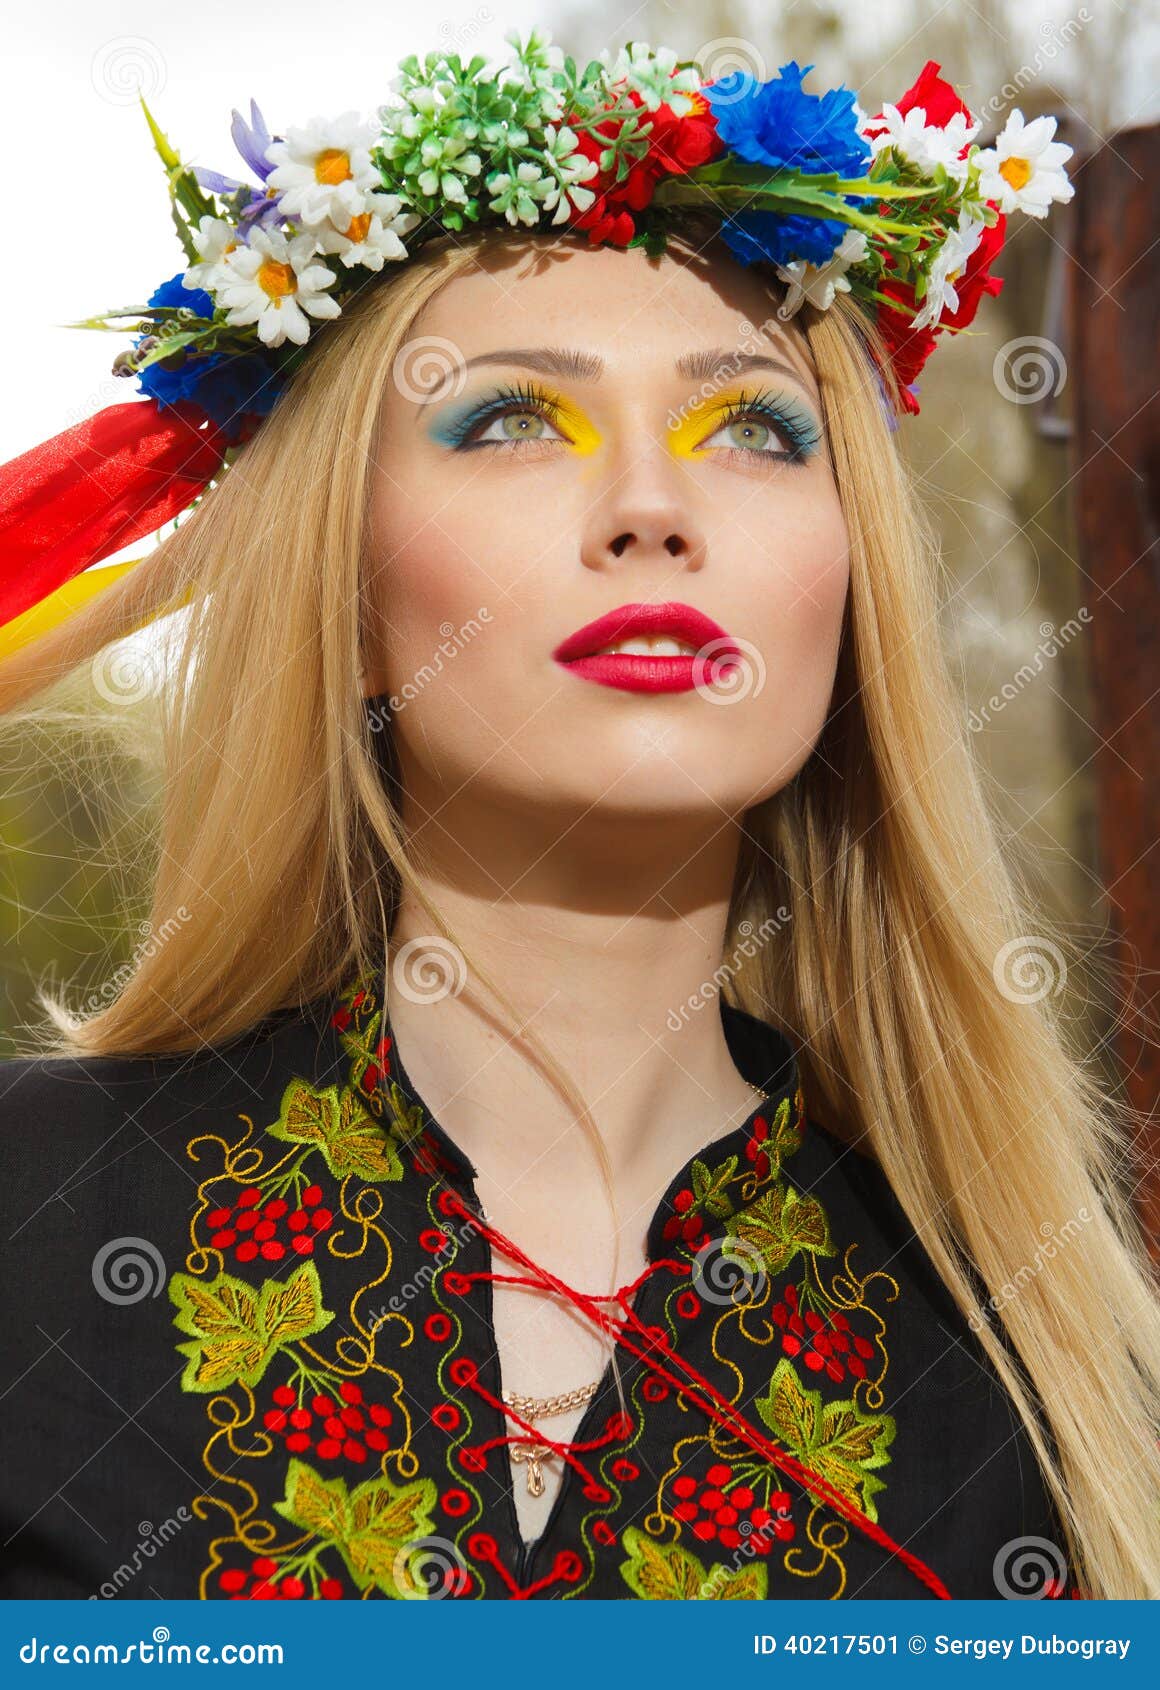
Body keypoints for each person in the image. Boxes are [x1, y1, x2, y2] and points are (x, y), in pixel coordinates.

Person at [0, 33, 1157, 1603]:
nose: (649, 501)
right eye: (510, 422)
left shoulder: (1045, 1350)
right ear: (339, 599)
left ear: (853, 584)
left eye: (753, 427)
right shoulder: (32, 1215)